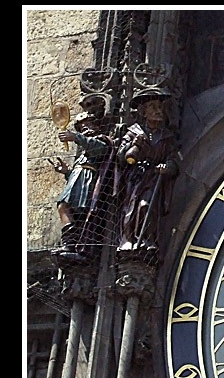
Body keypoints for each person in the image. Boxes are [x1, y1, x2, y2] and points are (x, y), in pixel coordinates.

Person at [115, 88, 179, 254]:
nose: (158, 111)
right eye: (153, 107)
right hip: (135, 178)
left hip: (153, 177)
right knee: (130, 209)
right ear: (144, 113)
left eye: (160, 107)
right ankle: (128, 240)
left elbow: (173, 160)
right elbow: (122, 157)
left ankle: (147, 239)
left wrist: (167, 167)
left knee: (146, 205)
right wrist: (133, 144)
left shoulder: (167, 136)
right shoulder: (133, 133)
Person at [48, 111, 115, 262]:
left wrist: (76, 137)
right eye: (82, 127)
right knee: (63, 207)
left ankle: (77, 246)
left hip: (88, 180)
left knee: (79, 211)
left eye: (89, 124)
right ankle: (70, 243)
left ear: (96, 125)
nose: (86, 128)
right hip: (76, 179)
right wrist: (66, 172)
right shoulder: (83, 150)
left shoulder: (100, 140)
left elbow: (100, 149)